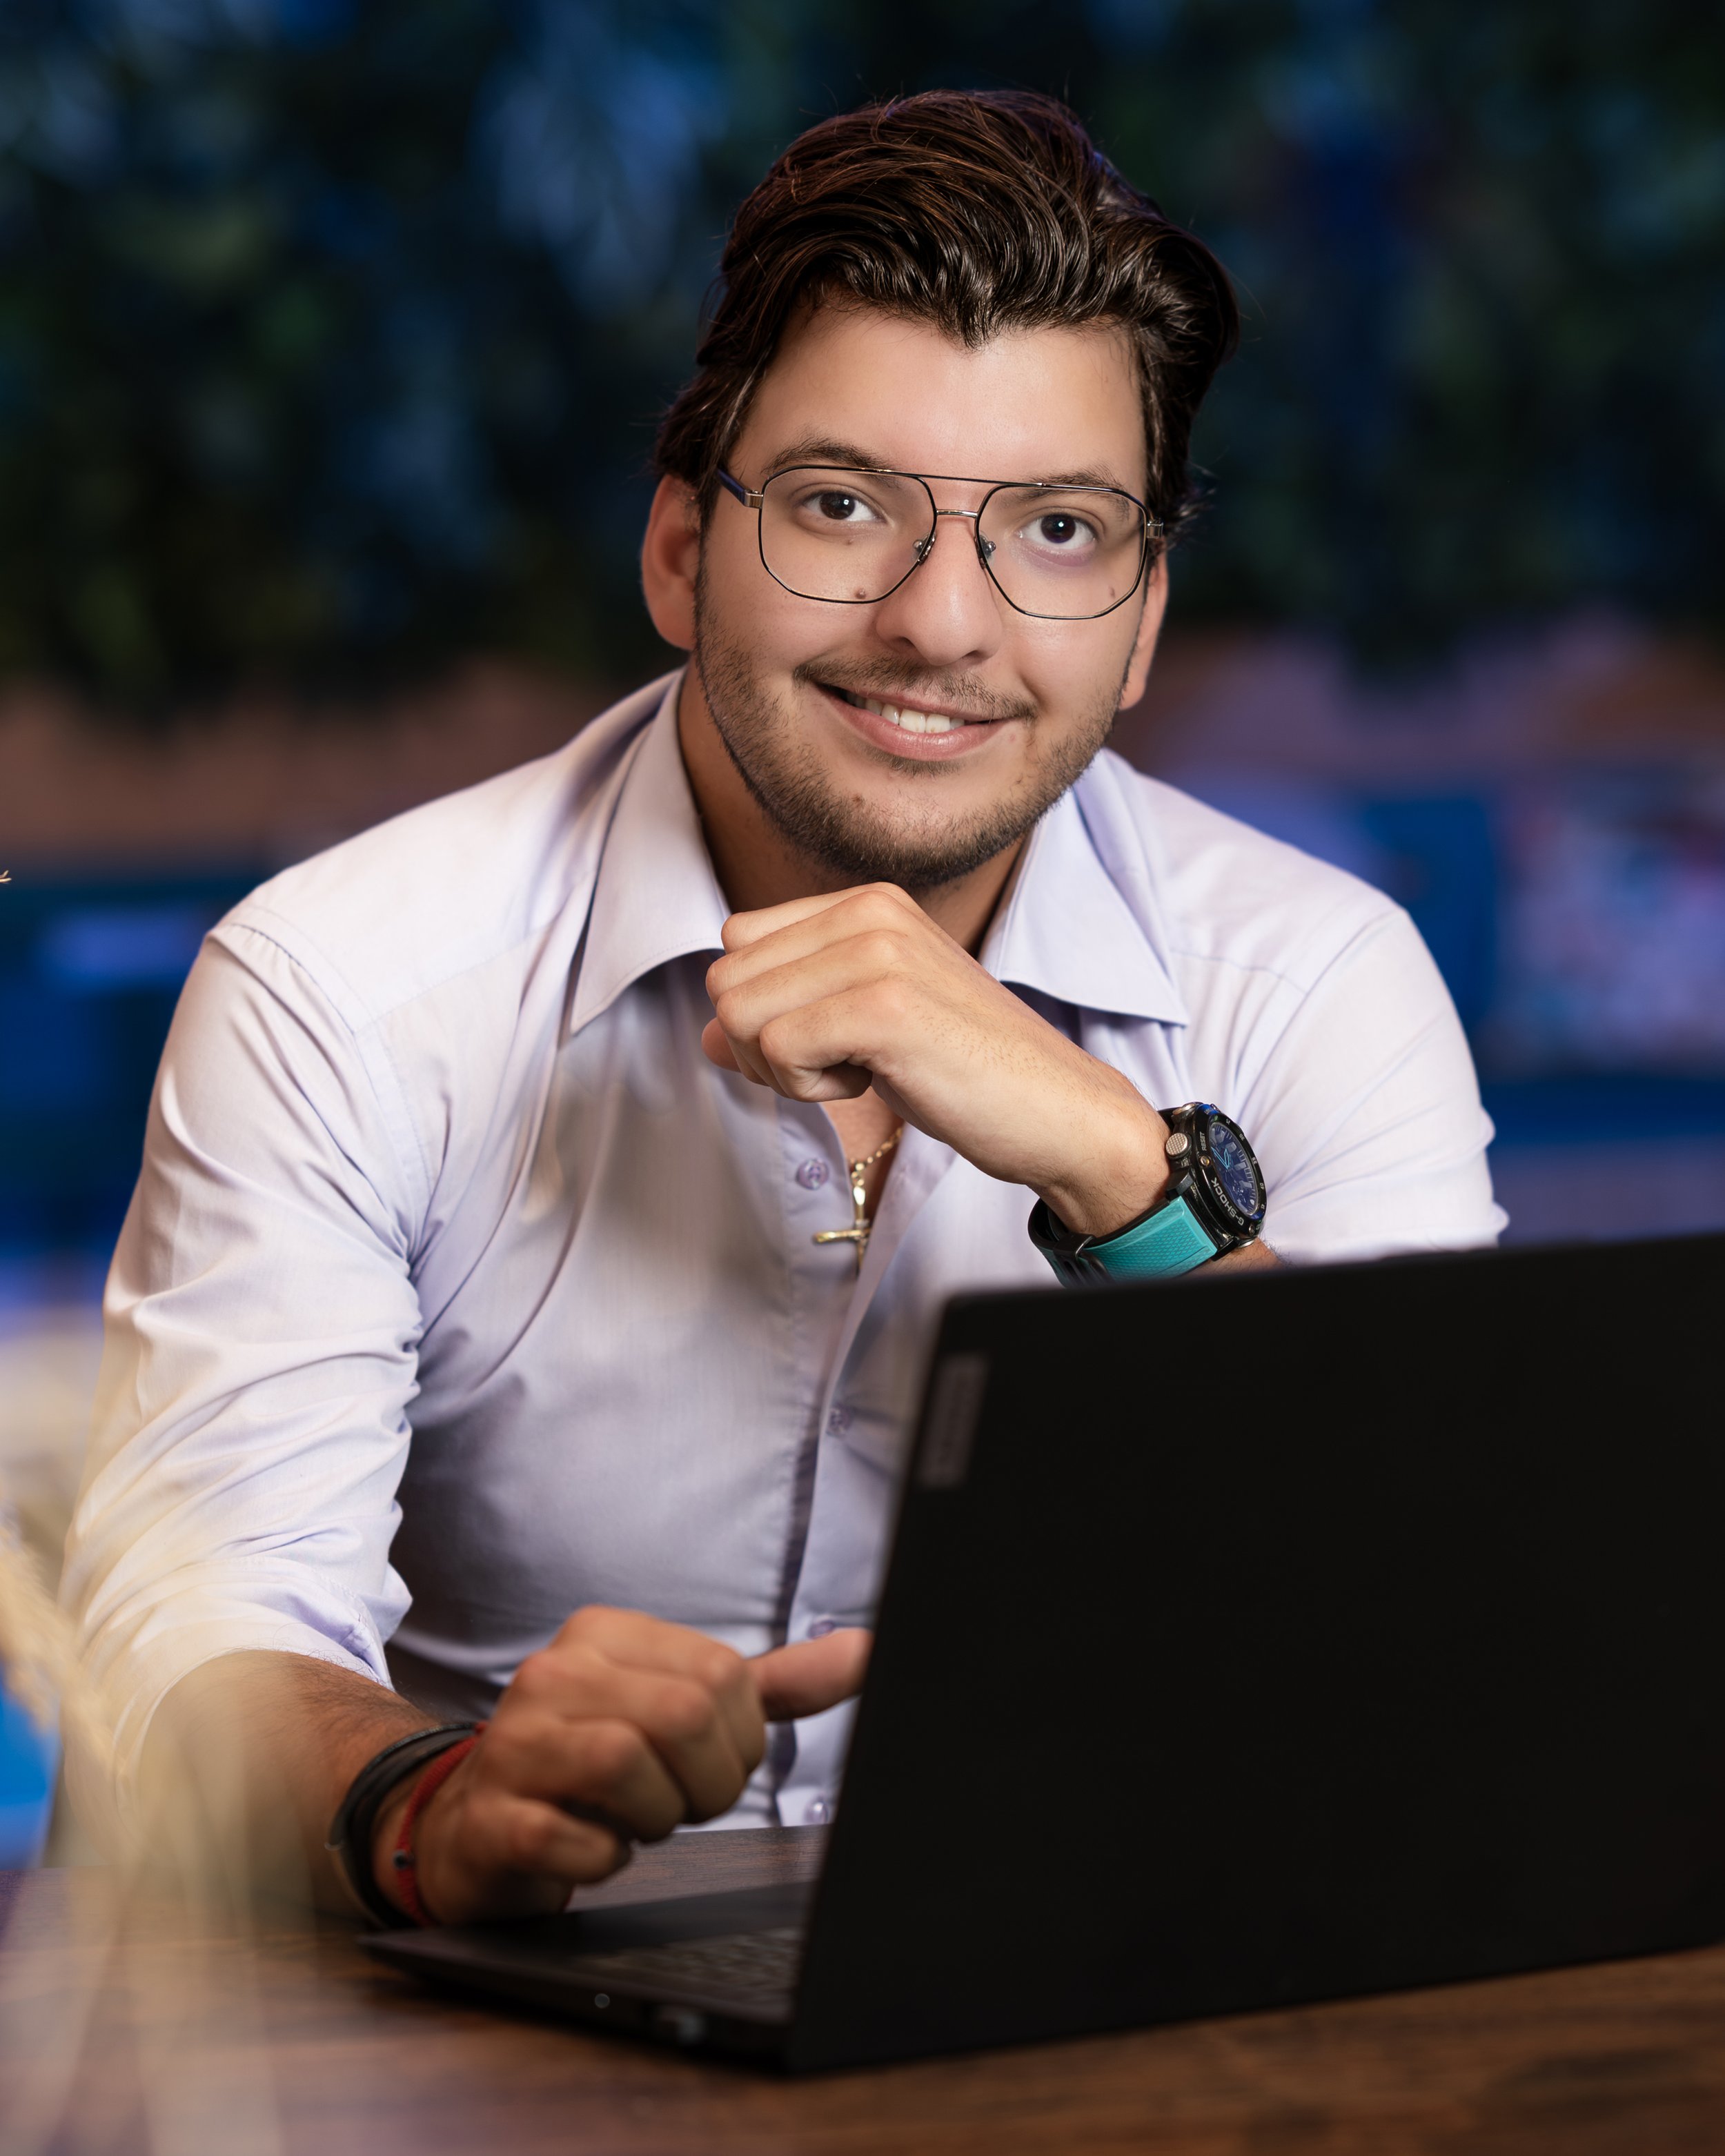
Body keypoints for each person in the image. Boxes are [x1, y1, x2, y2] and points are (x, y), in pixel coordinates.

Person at [62, 91, 1502, 1924]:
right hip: (478, 2007)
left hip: (1082, 1971)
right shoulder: (346, 984)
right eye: (841, 507)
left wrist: (1121, 1173)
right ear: (680, 552)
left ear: (1140, 624)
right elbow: (197, 1626)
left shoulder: (1308, 975)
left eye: (1055, 531)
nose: (940, 624)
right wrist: (432, 1807)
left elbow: (1460, 1615)